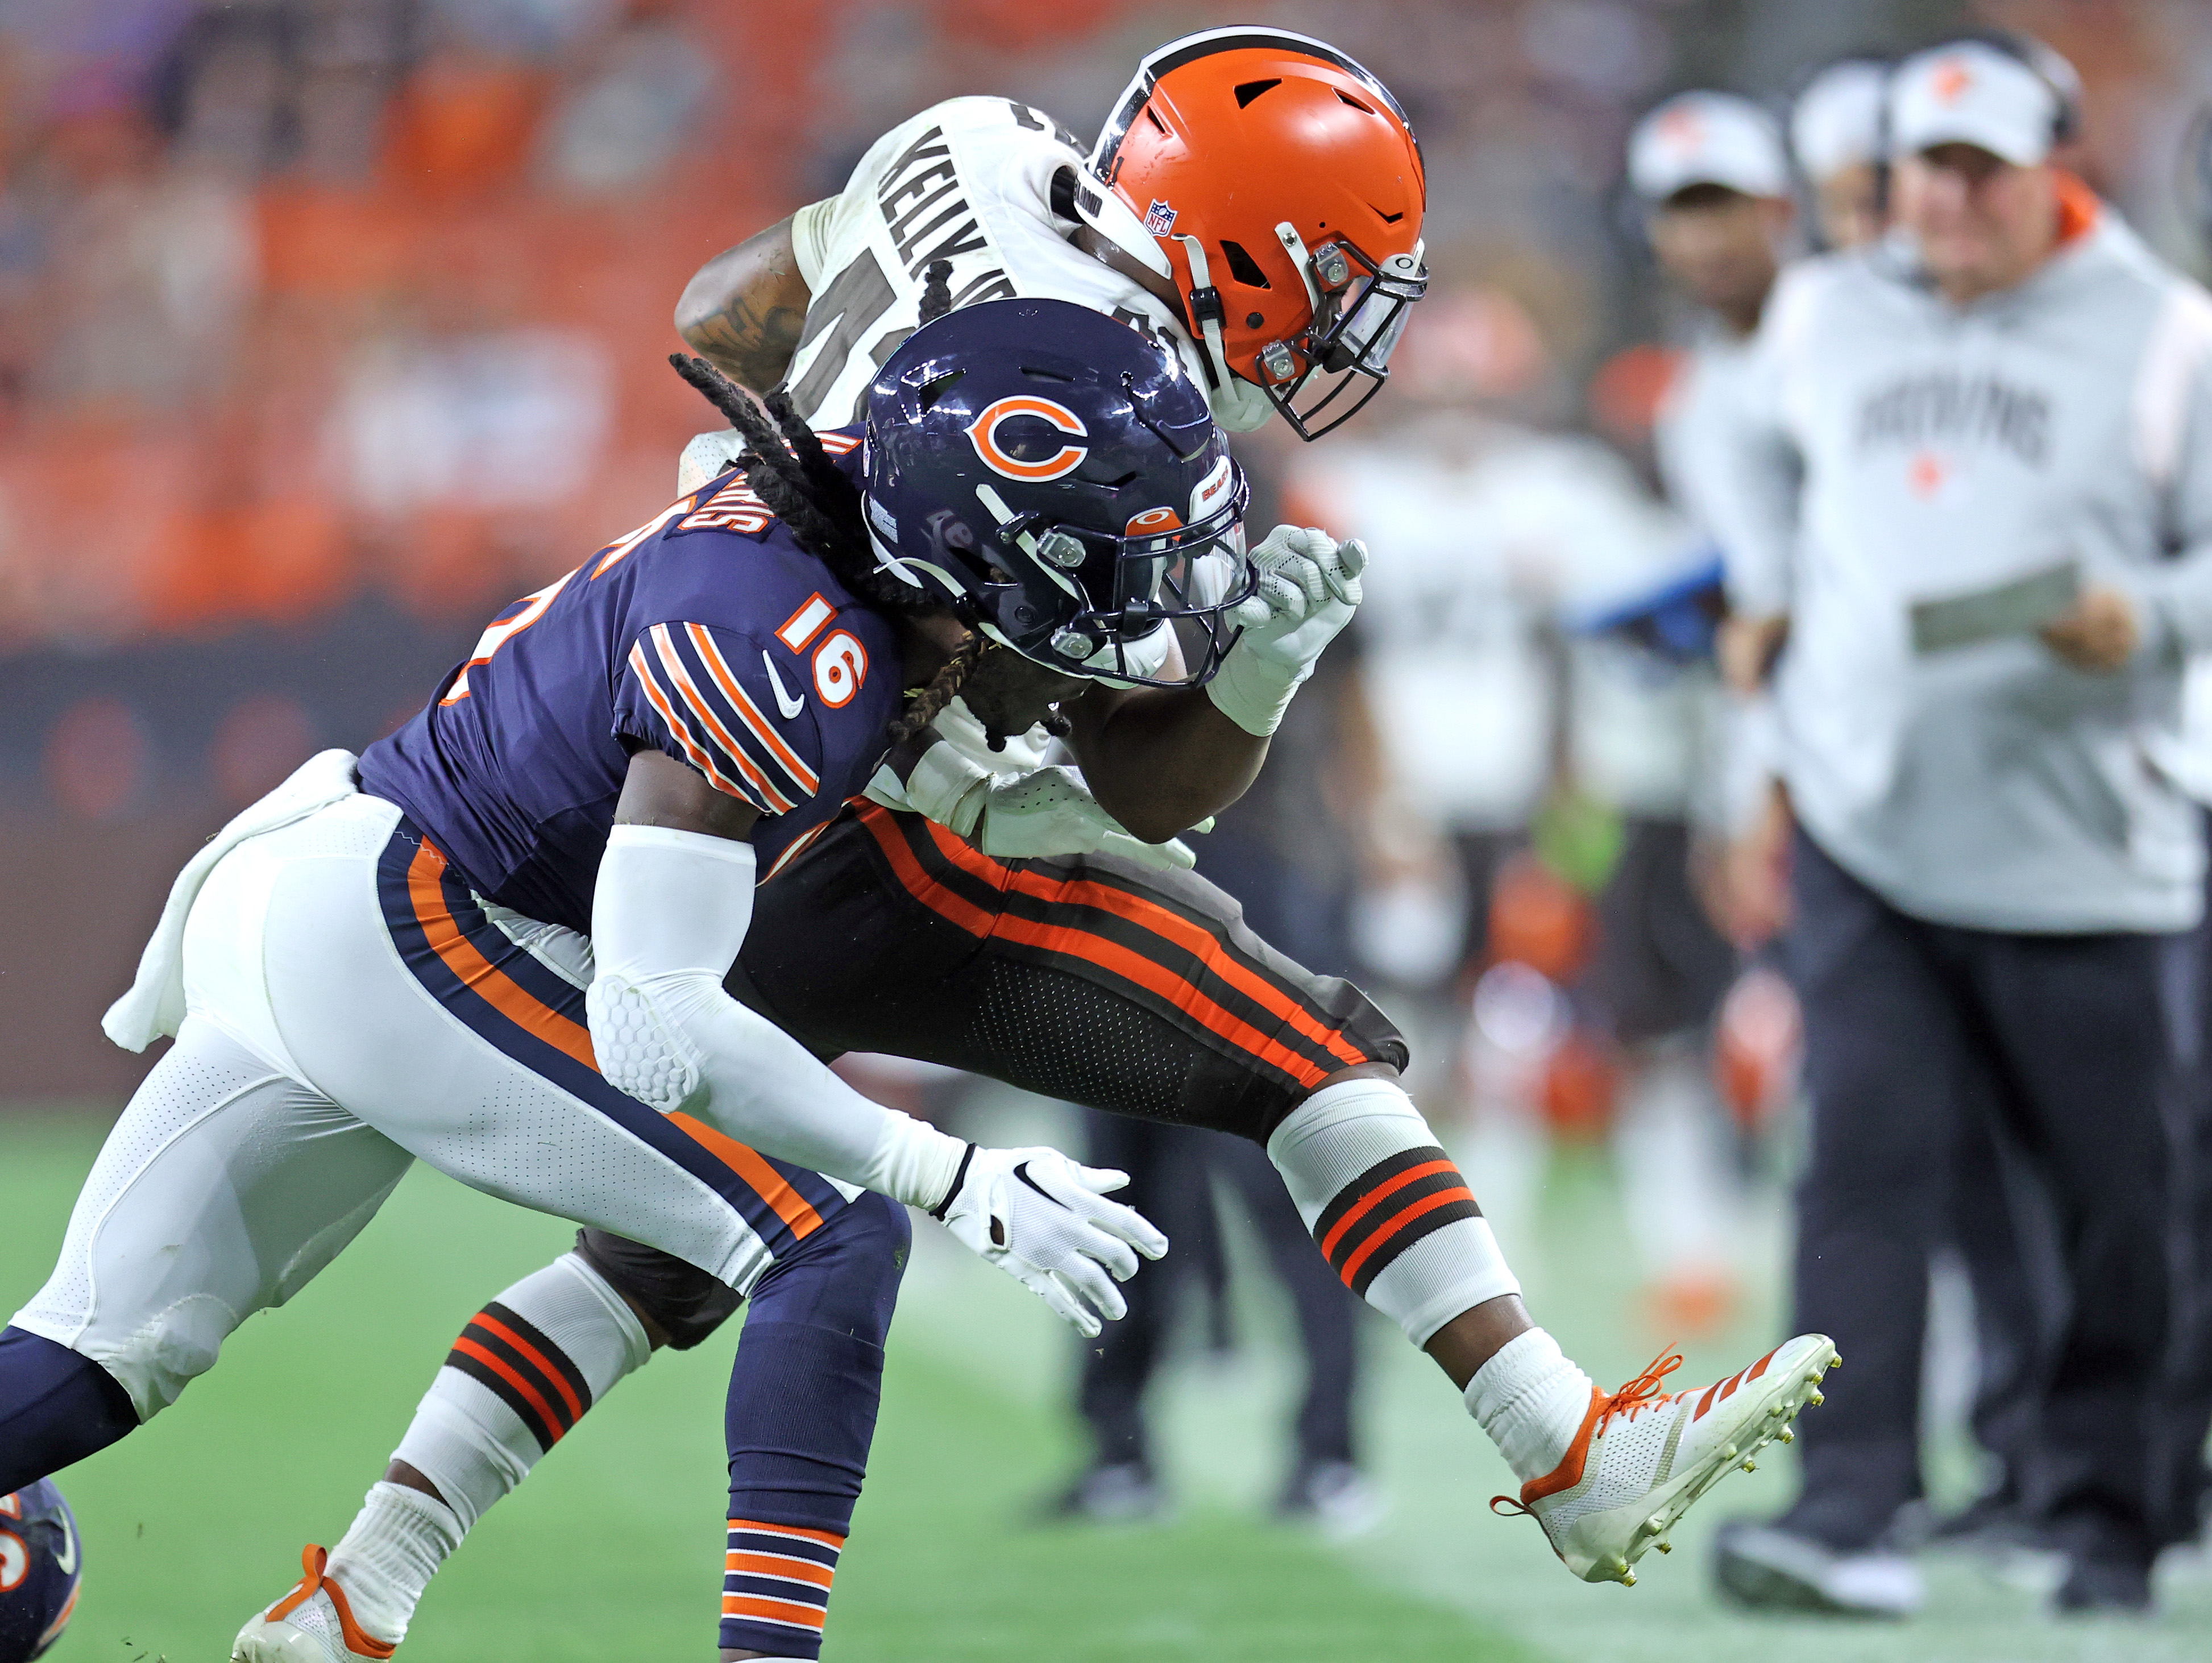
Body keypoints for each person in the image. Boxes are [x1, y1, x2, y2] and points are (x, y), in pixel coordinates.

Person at [198, 31, 1831, 1657]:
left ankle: (367, 1584)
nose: (1343, 324)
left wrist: (794, 500)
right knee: (1312, 1050)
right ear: (1244, 238)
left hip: (704, 736)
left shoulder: (974, 140)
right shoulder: (1111, 384)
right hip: (864, 810)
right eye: (1332, 275)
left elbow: (715, 315)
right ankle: (1565, 1450)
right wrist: (1246, 665)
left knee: (673, 1252)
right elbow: (1137, 789)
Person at [1704, 32, 2212, 1615]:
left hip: (2085, 851)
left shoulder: (2163, 334)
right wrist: (1763, 585)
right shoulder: (1825, 310)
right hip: (1866, 821)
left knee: (2116, 1204)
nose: (1945, 199)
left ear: (2051, 166)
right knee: (1858, 1162)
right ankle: (1846, 1511)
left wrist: (2147, 611)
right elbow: (1742, 449)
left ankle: (2108, 1516)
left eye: (1981, 168)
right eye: (1926, 168)